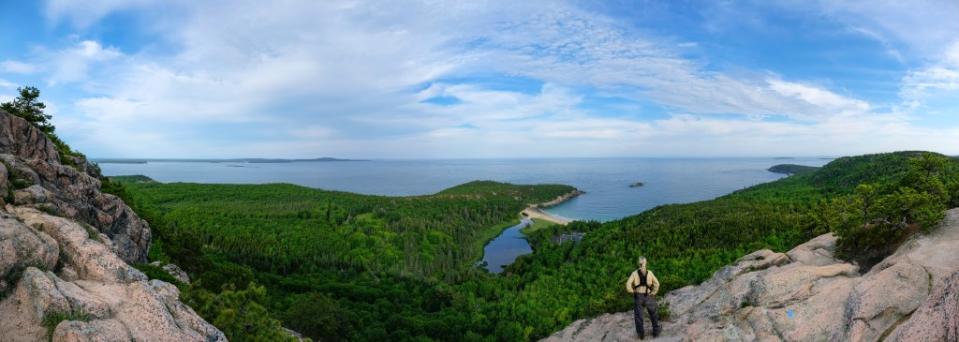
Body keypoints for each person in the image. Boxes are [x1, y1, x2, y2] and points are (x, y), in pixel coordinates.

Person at [625, 256, 661, 339]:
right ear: (646, 263)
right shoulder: (650, 273)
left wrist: (632, 291)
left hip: (638, 296)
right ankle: (655, 331)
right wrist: (653, 293)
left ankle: (641, 335)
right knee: (653, 313)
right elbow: (657, 284)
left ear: (638, 263)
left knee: (639, 316)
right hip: (648, 295)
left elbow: (628, 285)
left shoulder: (634, 273)